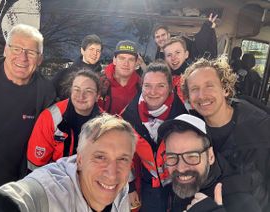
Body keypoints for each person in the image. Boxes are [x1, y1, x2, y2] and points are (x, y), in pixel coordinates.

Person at [0, 113, 137, 212]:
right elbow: (18, 198)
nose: (112, 174)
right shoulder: (49, 192)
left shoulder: (120, 188)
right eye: (100, 157)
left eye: (122, 159)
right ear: (79, 160)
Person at [181, 57, 270, 211]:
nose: (202, 95)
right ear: (188, 96)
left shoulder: (261, 128)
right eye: (194, 89)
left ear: (225, 89)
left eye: (209, 86)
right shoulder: (191, 131)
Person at [0, 24, 56, 187]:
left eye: (31, 52)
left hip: (13, 190)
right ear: (6, 49)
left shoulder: (47, 96)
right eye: (17, 49)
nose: (23, 58)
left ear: (40, 59)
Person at [158, 114, 261, 212]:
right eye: (172, 157)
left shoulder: (242, 202)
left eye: (192, 156)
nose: (180, 168)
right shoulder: (185, 184)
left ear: (210, 156)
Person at [121, 61, 187, 211]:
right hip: (148, 186)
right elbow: (125, 155)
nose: (153, 92)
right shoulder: (128, 116)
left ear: (170, 88)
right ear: (142, 86)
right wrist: (130, 187)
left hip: (179, 186)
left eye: (160, 86)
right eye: (148, 85)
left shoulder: (183, 115)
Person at [27, 69, 102, 171]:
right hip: (56, 179)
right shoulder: (51, 117)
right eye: (76, 89)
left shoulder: (105, 123)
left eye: (88, 91)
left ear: (97, 96)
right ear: (70, 91)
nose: (81, 96)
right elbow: (36, 165)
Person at [52, 34, 102, 100]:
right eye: (91, 49)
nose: (95, 53)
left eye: (98, 51)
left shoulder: (102, 78)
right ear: (82, 51)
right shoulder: (63, 75)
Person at [98, 40, 141, 115]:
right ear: (114, 60)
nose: (126, 63)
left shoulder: (142, 87)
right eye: (122, 58)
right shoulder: (99, 83)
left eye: (131, 59)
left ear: (136, 63)